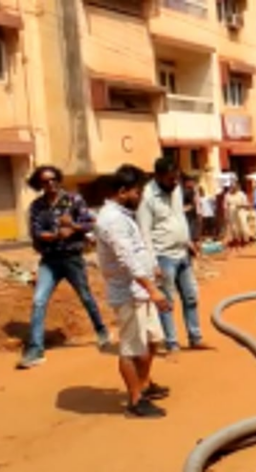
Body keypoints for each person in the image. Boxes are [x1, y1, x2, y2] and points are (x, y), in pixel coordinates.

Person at [94, 164, 171, 418]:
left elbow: (138, 250)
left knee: (153, 339)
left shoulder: (124, 215)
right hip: (128, 292)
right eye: (137, 192)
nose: (140, 197)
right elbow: (126, 258)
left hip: (142, 288)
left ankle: (145, 383)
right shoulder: (112, 220)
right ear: (123, 191)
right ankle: (135, 400)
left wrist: (153, 270)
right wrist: (152, 289)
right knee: (131, 347)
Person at [19, 165, 110, 369]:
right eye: (45, 181)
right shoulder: (36, 206)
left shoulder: (74, 200)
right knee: (39, 301)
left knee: (85, 296)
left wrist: (73, 227)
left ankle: (101, 330)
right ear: (39, 184)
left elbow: (90, 223)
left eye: (53, 179)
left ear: (58, 180)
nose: (50, 184)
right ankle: (35, 350)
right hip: (49, 261)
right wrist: (56, 235)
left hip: (72, 258)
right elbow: (36, 231)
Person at [137, 156, 211, 353]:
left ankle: (195, 337)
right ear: (159, 176)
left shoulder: (176, 190)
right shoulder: (147, 197)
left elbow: (179, 216)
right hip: (163, 255)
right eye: (170, 179)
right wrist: (152, 263)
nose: (175, 182)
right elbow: (144, 232)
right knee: (167, 301)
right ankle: (172, 342)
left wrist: (188, 241)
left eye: (176, 178)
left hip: (182, 252)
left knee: (191, 296)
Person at [224, 180, 251, 251]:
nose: (233, 188)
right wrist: (226, 215)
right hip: (231, 212)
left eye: (234, 186)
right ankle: (236, 240)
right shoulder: (227, 195)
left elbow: (246, 204)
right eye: (232, 186)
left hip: (241, 211)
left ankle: (245, 240)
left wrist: (241, 206)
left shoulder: (242, 194)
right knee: (234, 227)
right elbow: (225, 206)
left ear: (237, 187)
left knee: (243, 226)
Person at [181, 174, 199, 244]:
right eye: (191, 181)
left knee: (189, 228)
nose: (193, 183)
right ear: (187, 182)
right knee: (190, 228)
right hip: (189, 212)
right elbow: (193, 202)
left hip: (187, 211)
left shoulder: (183, 190)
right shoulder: (188, 191)